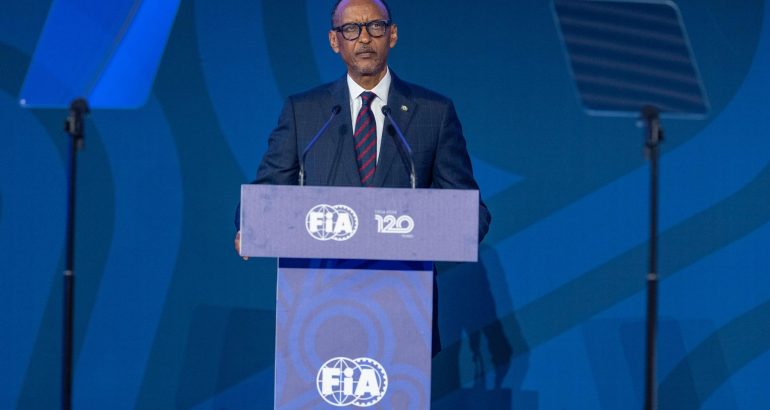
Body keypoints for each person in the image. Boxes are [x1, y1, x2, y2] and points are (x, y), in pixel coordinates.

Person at [235, 0, 491, 356]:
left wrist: (448, 233)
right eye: (351, 29)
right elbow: (267, 193)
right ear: (334, 41)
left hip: (403, 310)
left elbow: (471, 212)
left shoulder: (434, 113)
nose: (364, 38)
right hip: (318, 308)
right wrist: (251, 226)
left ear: (392, 35)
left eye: (375, 26)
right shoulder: (305, 112)